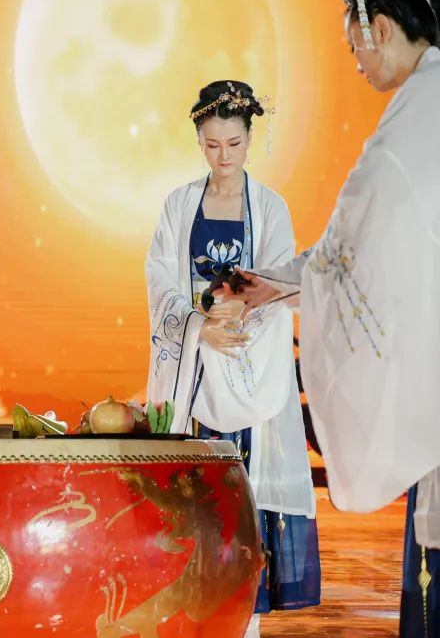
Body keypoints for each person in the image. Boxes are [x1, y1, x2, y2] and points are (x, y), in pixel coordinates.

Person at [223, 0, 440, 636]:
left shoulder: (415, 120)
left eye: (354, 47)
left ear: (381, 29)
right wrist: (277, 286)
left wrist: (276, 286)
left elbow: (351, 254)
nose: (356, 64)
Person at [145, 80, 320, 635]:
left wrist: (233, 322)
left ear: (251, 139)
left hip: (247, 364)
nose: (224, 156)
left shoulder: (270, 208)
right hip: (197, 374)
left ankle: (246, 621)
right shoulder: (179, 205)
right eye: (213, 144)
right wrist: (201, 327)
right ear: (199, 141)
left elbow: (277, 283)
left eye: (234, 144)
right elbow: (160, 284)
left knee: (245, 496)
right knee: (198, 500)